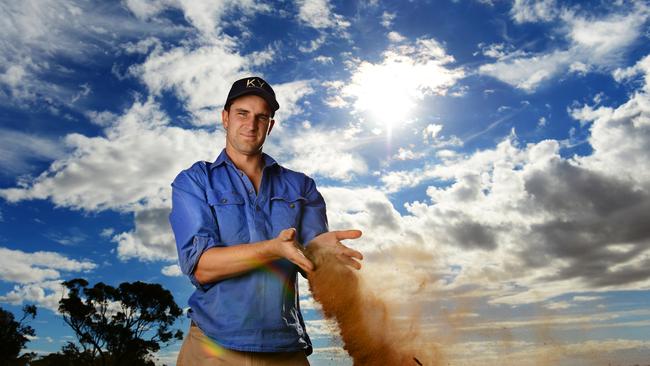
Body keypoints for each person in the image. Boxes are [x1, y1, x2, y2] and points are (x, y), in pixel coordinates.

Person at [169, 76, 364, 365]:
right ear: (225, 118)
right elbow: (201, 268)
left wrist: (324, 257)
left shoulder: (301, 187)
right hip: (211, 347)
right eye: (242, 114)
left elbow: (312, 266)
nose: (251, 124)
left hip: (285, 349)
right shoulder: (194, 182)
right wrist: (273, 249)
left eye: (262, 117)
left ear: (270, 125)